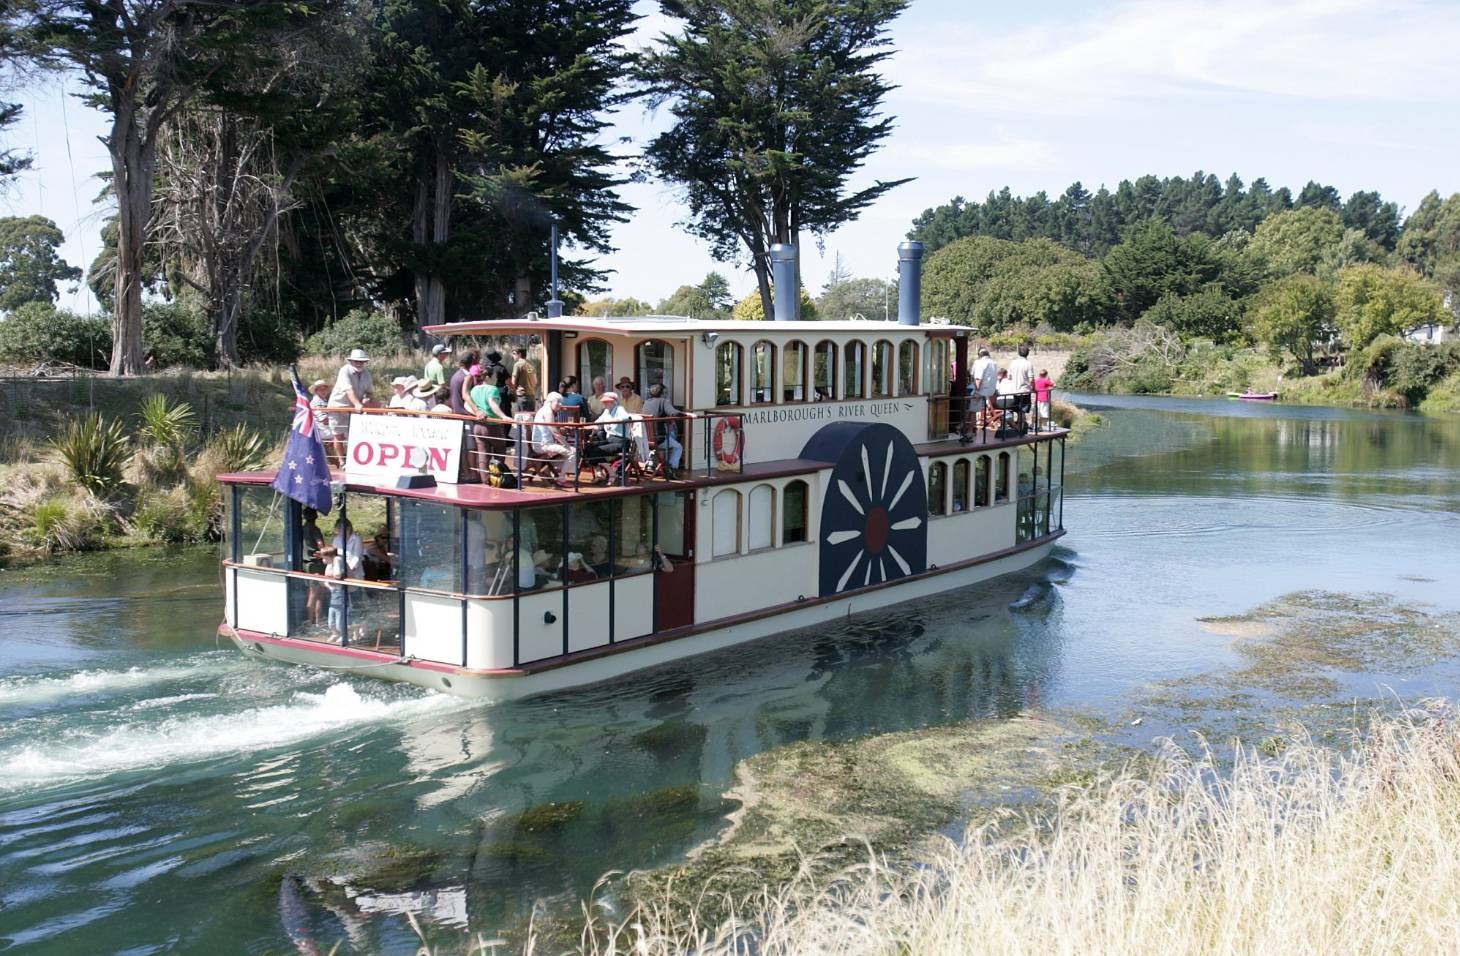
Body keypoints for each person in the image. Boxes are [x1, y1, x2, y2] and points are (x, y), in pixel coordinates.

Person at [327, 348, 374, 446]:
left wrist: (367, 398)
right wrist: (357, 404)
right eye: (356, 361)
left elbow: (370, 391)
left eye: (361, 361)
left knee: (355, 435)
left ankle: (351, 458)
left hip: (354, 409)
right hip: (338, 407)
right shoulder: (344, 371)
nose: (359, 364)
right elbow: (348, 390)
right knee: (338, 435)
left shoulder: (367, 374)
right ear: (351, 361)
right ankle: (341, 461)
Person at [469, 365, 510, 477]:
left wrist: (477, 413)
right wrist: (503, 416)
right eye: (495, 377)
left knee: (483, 453)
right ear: (488, 377)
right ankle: (498, 477)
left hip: (478, 425)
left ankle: (485, 479)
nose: (496, 379)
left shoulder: (474, 389)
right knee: (500, 449)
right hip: (493, 425)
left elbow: (468, 405)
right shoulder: (492, 389)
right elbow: (492, 404)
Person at [532, 391, 579, 484]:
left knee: (566, 451)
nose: (560, 404)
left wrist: (560, 434)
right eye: (558, 402)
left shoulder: (544, 410)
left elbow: (552, 430)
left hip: (541, 444)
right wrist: (567, 445)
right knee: (573, 452)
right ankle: (561, 479)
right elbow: (555, 433)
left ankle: (550, 469)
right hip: (544, 445)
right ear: (550, 401)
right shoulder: (548, 412)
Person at [641, 382, 684, 478]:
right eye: (665, 393)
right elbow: (673, 413)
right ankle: (671, 468)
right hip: (658, 439)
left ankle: (658, 464)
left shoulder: (646, 403)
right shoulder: (663, 401)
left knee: (670, 437)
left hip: (646, 439)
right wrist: (686, 414)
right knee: (678, 447)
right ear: (662, 393)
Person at [586, 391, 630, 477]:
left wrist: (614, 420)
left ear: (613, 402)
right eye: (604, 402)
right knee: (588, 449)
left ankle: (611, 473)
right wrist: (594, 426)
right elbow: (599, 421)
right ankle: (600, 473)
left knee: (597, 451)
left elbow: (626, 417)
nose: (604, 403)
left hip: (621, 441)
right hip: (610, 440)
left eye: (607, 401)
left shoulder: (619, 408)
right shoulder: (606, 411)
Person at [302, 507, 326, 624]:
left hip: (306, 564)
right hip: (316, 564)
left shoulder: (303, 529)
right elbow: (320, 544)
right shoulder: (315, 529)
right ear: (315, 516)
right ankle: (314, 621)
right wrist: (325, 554)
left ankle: (314, 620)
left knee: (312, 593)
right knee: (317, 594)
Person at [970, 347, 997, 426]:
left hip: (981, 391)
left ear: (979, 355)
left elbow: (978, 378)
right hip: (991, 391)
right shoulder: (993, 363)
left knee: (972, 411)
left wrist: (976, 391)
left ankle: (971, 430)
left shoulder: (979, 363)